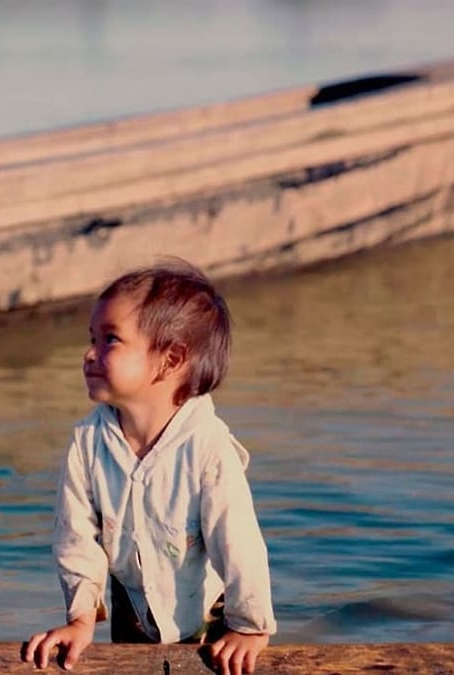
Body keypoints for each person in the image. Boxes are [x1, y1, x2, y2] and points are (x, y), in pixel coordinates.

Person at [22, 262, 276, 675]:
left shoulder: (206, 447)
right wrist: (80, 620)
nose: (89, 354)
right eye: (92, 339)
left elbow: (239, 544)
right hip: (134, 609)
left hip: (209, 615)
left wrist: (250, 627)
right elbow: (77, 538)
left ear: (170, 359)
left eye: (110, 340)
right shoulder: (89, 443)